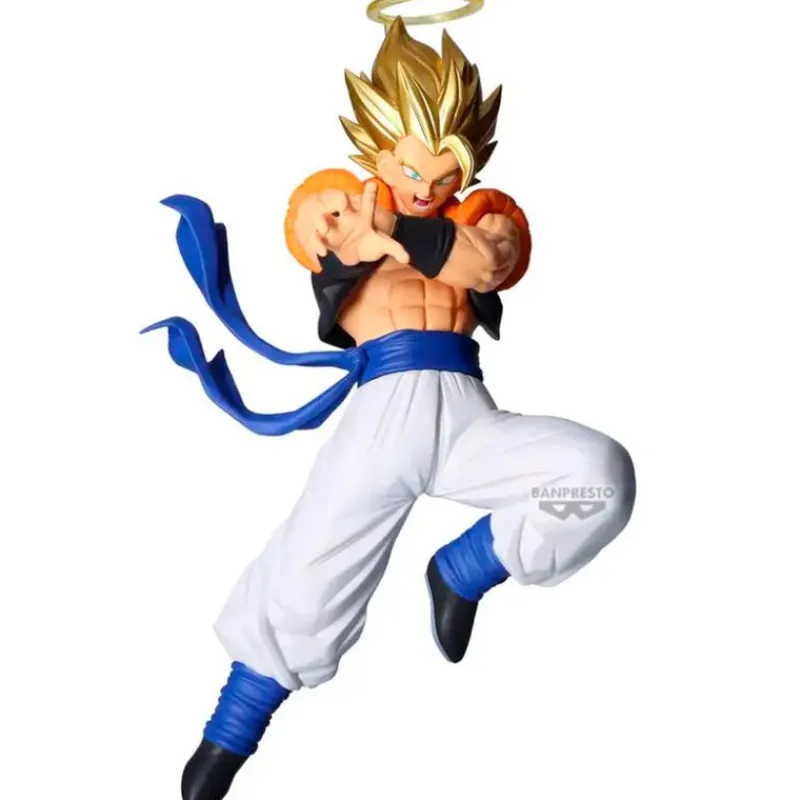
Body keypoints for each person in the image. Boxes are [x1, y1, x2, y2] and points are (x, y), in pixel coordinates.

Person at [145, 19, 636, 800]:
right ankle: (231, 731)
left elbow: (488, 263)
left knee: (597, 476)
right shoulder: (339, 198)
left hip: (468, 418)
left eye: (445, 170)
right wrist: (352, 226)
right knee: (309, 572)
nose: (425, 185)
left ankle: (468, 568)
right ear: (376, 147)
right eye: (409, 166)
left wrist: (399, 229)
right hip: (382, 415)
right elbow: (319, 228)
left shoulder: (484, 215)